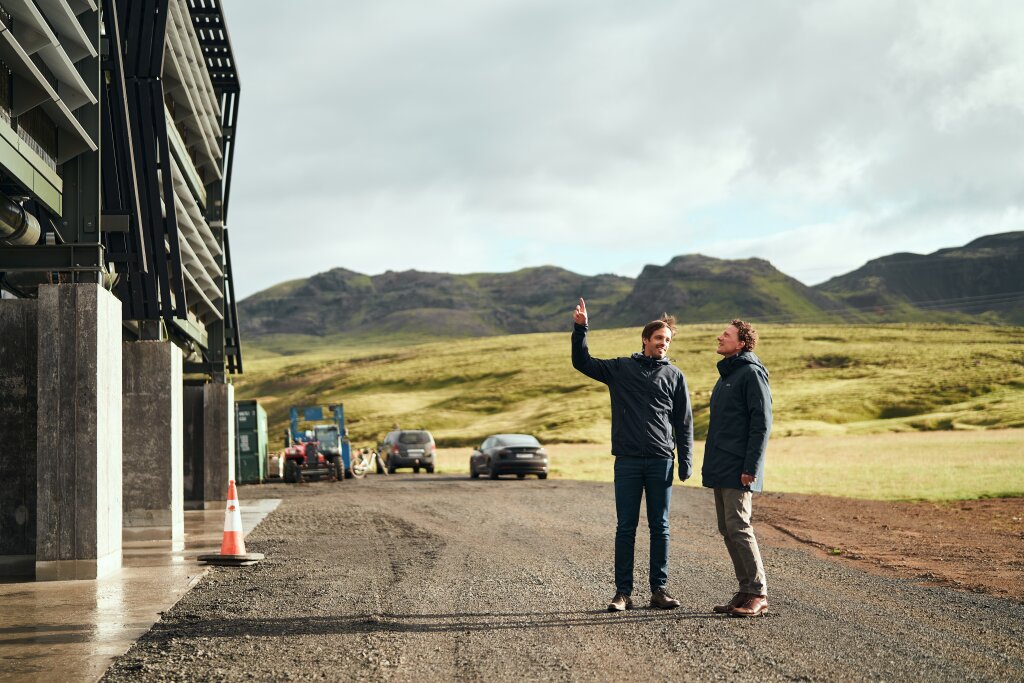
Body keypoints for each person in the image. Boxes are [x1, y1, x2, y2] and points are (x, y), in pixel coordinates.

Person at [571, 297, 693, 612]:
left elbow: (683, 422)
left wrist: (685, 460)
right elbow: (582, 362)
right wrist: (580, 329)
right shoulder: (621, 368)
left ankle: (659, 590)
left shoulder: (675, 376)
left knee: (660, 526)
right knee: (626, 526)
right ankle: (622, 593)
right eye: (658, 339)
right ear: (645, 340)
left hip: (661, 460)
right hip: (626, 460)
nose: (663, 344)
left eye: (667, 340)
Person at [702, 320, 772, 618]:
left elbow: (761, 424)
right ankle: (744, 591)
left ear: (741, 342)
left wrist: (751, 466)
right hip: (721, 464)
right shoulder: (728, 375)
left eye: (726, 335)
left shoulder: (751, 373)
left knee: (740, 528)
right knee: (727, 529)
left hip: (739, 467)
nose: (720, 337)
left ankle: (758, 593)